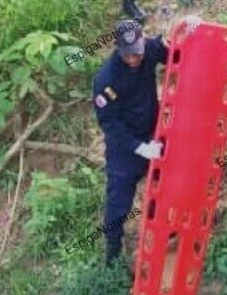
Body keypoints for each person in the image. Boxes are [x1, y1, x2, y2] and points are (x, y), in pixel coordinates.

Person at [92, 19, 167, 265]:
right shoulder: (105, 80)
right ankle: (113, 257)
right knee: (118, 201)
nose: (134, 59)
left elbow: (176, 55)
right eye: (128, 56)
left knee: (167, 182)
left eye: (137, 54)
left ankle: (166, 230)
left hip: (153, 134)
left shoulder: (149, 50)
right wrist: (139, 148)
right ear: (117, 49)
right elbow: (110, 125)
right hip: (125, 148)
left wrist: (191, 31)